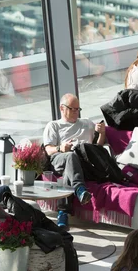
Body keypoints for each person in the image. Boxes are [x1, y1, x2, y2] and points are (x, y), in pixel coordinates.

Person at [43, 93, 105, 228]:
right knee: (70, 156)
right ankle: (79, 188)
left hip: (83, 163)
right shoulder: (54, 126)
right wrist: (61, 147)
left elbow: (97, 148)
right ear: (62, 108)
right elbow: (48, 150)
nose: (76, 112)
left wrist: (102, 133)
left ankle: (63, 213)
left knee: (69, 170)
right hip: (59, 159)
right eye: (73, 109)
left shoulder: (87, 123)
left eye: (78, 109)